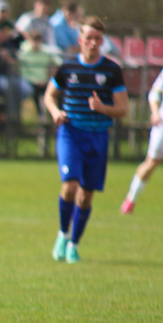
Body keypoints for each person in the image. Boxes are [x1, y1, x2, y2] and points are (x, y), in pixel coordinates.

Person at [45, 16, 128, 263]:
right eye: (89, 38)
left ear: (103, 42)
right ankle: (62, 232)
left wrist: (103, 108)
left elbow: (123, 109)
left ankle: (74, 244)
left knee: (86, 195)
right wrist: (55, 112)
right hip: (71, 133)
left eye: (98, 39)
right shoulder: (68, 67)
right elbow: (50, 95)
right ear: (80, 40)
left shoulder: (111, 70)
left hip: (98, 136)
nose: (93, 43)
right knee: (69, 186)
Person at [121, 68, 163, 214]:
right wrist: (156, 112)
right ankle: (130, 199)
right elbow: (154, 93)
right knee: (151, 162)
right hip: (162, 125)